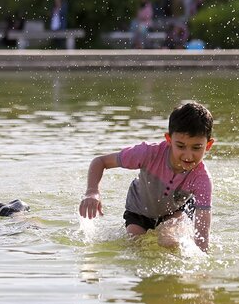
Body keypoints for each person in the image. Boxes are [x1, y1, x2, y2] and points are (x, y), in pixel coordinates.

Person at [79, 102, 214, 252]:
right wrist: (92, 192)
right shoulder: (147, 153)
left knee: (169, 241)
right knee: (137, 246)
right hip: (139, 210)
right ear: (169, 140)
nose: (188, 155)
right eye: (181, 146)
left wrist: (203, 261)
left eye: (196, 147)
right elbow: (100, 161)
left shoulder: (202, 179)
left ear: (208, 145)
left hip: (175, 210)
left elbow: (203, 230)